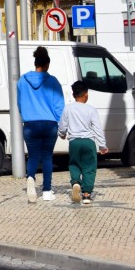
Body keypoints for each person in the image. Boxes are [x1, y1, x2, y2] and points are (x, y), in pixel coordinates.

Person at [17, 46, 65, 203]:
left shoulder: (22, 81)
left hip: (30, 124)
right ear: (47, 64)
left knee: (33, 156)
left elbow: (20, 103)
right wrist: (62, 125)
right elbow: (59, 106)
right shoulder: (52, 81)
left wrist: (26, 115)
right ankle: (46, 191)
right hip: (49, 123)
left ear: (35, 63)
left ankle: (30, 177)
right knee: (46, 157)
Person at [59, 81, 109, 205]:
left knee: (74, 164)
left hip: (74, 142)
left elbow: (62, 127)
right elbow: (97, 128)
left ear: (73, 94)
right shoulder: (91, 109)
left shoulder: (67, 108)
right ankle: (86, 194)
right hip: (88, 142)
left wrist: (62, 134)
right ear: (86, 94)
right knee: (89, 168)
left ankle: (76, 182)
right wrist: (102, 145)